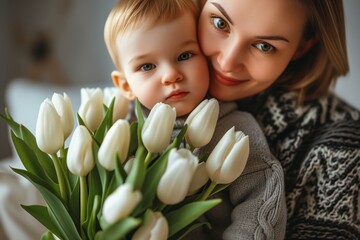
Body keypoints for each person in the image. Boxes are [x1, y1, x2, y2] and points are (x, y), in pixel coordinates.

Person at [104, 0, 287, 239]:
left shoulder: (234, 129)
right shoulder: (124, 131)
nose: (171, 75)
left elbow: (260, 199)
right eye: (147, 66)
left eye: (184, 55)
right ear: (126, 85)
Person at [197, 0, 360, 238]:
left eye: (264, 46)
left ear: (302, 46)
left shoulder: (344, 146)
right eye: (219, 23)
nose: (227, 62)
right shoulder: (145, 88)